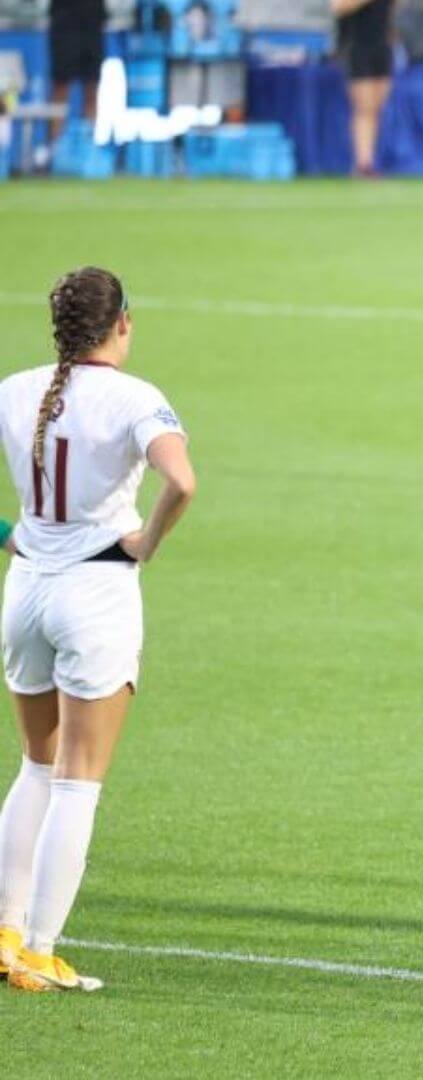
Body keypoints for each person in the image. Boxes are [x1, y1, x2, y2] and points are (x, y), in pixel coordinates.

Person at [0, 267, 196, 992]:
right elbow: (183, 481)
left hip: (24, 590)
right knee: (78, 784)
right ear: (123, 324)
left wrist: (6, 533)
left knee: (35, 766)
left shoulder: (16, 390)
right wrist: (146, 544)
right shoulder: (134, 397)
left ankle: (5, 931)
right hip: (96, 590)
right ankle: (42, 952)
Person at [332, 0, 395, 177]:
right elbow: (337, 7)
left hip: (382, 45)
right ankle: (362, 162)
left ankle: (370, 159)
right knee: (364, 108)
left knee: (377, 108)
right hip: (358, 46)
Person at [46, 0, 106, 147]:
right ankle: (55, 149)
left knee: (92, 88)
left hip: (92, 21)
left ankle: (88, 148)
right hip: (64, 22)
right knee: (61, 87)